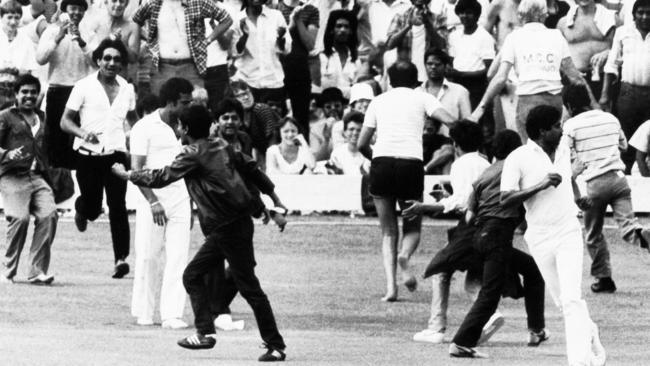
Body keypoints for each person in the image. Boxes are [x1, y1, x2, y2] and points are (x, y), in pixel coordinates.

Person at [111, 104, 288, 362]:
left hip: (224, 227)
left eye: (179, 125)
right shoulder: (223, 146)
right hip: (237, 225)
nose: (177, 129)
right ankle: (225, 333)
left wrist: (127, 174)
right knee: (239, 281)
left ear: (184, 128)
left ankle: (220, 335)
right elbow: (253, 171)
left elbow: (162, 176)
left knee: (203, 278)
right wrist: (276, 203)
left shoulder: (192, 153)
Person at [500, 105, 606, 366]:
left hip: (568, 230)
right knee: (564, 303)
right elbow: (505, 198)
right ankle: (589, 330)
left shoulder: (562, 149)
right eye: (557, 126)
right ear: (542, 131)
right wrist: (541, 185)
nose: (562, 129)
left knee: (571, 300)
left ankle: (579, 362)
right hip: (539, 236)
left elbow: (567, 177)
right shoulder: (519, 157)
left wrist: (578, 198)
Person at [357, 60, 454, 302]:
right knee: (412, 226)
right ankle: (405, 256)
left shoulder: (378, 101)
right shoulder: (422, 97)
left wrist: (376, 158)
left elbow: (361, 143)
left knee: (388, 231)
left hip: (381, 163)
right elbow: (450, 120)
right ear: (416, 81)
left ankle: (391, 288)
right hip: (410, 163)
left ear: (389, 81)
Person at [447, 130, 547, 358]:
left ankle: (537, 330)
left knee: (532, 270)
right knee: (490, 294)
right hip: (497, 236)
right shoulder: (515, 169)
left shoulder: (483, 175)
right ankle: (461, 342)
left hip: (480, 235)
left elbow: (470, 215)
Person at [405, 120, 493, 345]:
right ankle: (490, 314)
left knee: (440, 271)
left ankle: (436, 327)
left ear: (455, 144)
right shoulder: (485, 163)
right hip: (486, 226)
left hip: (469, 228)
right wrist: (445, 199)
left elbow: (463, 201)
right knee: (473, 278)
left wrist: (425, 206)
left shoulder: (461, 164)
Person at [562, 83, 650, 294]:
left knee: (593, 234)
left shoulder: (571, 126)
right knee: (628, 226)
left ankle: (604, 279)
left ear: (569, 105)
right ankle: (642, 233)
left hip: (593, 184)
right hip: (619, 180)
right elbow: (624, 146)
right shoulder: (610, 118)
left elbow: (565, 155)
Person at [60, 38, 136, 279]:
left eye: (117, 59)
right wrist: (83, 132)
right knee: (93, 208)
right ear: (98, 61)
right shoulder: (83, 86)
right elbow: (65, 121)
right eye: (107, 58)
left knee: (118, 207)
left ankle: (121, 259)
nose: (111, 63)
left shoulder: (127, 88)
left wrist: (133, 138)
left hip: (115, 155)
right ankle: (82, 209)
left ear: (122, 64)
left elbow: (132, 118)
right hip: (88, 156)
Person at [471, 0, 592, 141]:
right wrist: (594, 106)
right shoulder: (556, 36)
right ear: (544, 15)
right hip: (554, 101)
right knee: (554, 150)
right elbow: (575, 77)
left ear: (521, 16)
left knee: (529, 151)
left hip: (527, 101)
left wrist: (479, 109)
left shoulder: (514, 37)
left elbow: (499, 77)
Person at [129, 78, 193, 329]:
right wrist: (153, 201)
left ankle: (171, 314)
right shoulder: (144, 127)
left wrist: (191, 206)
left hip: (180, 199)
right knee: (148, 256)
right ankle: (144, 312)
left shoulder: (185, 127)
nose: (188, 107)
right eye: (184, 103)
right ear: (171, 102)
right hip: (152, 201)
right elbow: (136, 170)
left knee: (178, 257)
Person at [0, 74, 58, 285]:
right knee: (20, 218)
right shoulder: (6, 116)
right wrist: (7, 154)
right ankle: (7, 271)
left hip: (38, 176)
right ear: (16, 94)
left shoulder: (42, 118)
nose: (29, 96)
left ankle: (37, 271)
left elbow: (45, 150)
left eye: (33, 92)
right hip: (13, 176)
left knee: (49, 215)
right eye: (24, 92)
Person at [36, 0, 94, 169]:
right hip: (57, 90)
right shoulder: (51, 31)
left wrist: (82, 42)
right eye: (72, 9)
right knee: (56, 140)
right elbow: (40, 59)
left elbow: (96, 62)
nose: (76, 13)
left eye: (80, 9)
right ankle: (59, 183)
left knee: (80, 140)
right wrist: (57, 39)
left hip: (82, 92)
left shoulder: (88, 33)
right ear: (65, 11)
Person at [132, 0, 233, 93]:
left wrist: (208, 40)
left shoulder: (198, 2)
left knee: (195, 107)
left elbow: (226, 19)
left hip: (191, 66)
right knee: (162, 106)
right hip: (161, 67)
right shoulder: (153, 3)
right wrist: (143, 41)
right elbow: (136, 18)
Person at [601, 0, 650, 173]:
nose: (644, 17)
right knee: (626, 138)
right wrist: (605, 94)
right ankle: (627, 177)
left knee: (648, 140)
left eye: (648, 13)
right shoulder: (623, 33)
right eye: (641, 12)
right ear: (634, 14)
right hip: (628, 94)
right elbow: (611, 64)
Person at [232, 0, 291, 104]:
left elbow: (287, 50)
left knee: (273, 118)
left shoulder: (276, 16)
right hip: (247, 83)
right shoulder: (238, 19)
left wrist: (280, 39)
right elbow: (234, 52)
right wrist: (244, 37)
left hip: (273, 82)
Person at [557, 0, 618, 100]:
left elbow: (623, 51)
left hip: (604, 80)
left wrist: (609, 53)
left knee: (604, 115)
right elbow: (558, 55)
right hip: (575, 82)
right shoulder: (563, 23)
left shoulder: (612, 19)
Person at [274, 0, 319, 134]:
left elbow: (310, 44)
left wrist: (298, 20)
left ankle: (303, 151)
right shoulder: (275, 6)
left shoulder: (311, 10)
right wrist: (291, 25)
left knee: (301, 118)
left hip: (300, 70)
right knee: (277, 116)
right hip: (277, 69)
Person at [447, 0, 495, 109]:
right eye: (461, 13)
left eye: (469, 13)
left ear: (477, 16)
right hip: (457, 84)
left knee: (473, 120)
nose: (464, 16)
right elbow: (451, 61)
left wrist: (463, 74)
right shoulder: (454, 36)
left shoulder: (485, 37)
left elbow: (490, 69)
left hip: (476, 87)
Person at [385, 0, 447, 83]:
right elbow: (390, 45)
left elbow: (441, 45)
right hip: (405, 74)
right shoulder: (400, 17)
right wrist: (408, 26)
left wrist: (428, 24)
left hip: (429, 76)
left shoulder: (438, 18)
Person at [419, 48, 471, 136]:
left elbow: (467, 124)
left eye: (437, 64)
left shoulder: (460, 91)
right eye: (429, 64)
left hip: (450, 144)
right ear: (425, 65)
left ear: (445, 66)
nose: (433, 67)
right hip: (421, 145)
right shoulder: (417, 92)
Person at [230, 80, 281, 167]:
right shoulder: (236, 117)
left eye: (247, 93)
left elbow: (273, 139)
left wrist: (270, 166)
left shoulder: (261, 109)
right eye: (240, 96)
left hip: (276, 155)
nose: (246, 97)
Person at [86, 0, 140, 79]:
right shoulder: (95, 24)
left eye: (122, 1)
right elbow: (89, 57)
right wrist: (107, 41)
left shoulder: (132, 27)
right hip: (96, 79)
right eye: (114, 1)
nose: (118, 4)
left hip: (119, 79)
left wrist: (120, 42)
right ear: (106, 2)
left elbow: (133, 59)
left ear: (126, 4)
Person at [319, 10, 359, 99]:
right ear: (332, 30)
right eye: (339, 26)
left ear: (351, 31)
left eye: (346, 27)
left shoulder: (356, 59)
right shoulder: (322, 57)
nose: (343, 30)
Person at [327, 110, 370, 175]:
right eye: (351, 129)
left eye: (359, 130)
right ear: (344, 132)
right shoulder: (337, 154)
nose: (355, 133)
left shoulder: (373, 153)